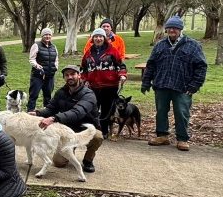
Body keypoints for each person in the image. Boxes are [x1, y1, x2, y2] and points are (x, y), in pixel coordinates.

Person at [141, 15, 207, 152]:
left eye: (175, 28)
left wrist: (195, 85)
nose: (172, 30)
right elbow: (151, 64)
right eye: (169, 28)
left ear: (180, 29)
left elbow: (201, 66)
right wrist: (146, 82)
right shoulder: (160, 45)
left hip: (182, 87)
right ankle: (162, 135)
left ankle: (182, 139)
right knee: (161, 112)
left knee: (182, 113)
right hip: (161, 85)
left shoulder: (193, 45)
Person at [31, 65, 101, 172]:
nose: (70, 77)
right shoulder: (61, 92)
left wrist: (54, 119)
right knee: (58, 163)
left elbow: (77, 112)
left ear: (79, 75)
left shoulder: (88, 94)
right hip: (68, 130)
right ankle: (70, 151)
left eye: (73, 74)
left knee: (97, 136)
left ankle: (88, 160)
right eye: (66, 75)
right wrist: (37, 113)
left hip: (86, 129)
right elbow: (51, 108)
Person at [81, 28, 127, 140]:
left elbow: (121, 65)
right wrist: (83, 80)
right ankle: (94, 131)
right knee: (93, 109)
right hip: (93, 86)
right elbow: (84, 69)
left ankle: (105, 131)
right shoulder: (88, 53)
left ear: (104, 38)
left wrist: (122, 75)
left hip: (110, 86)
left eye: (100, 36)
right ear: (92, 39)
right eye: (96, 37)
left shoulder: (112, 50)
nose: (98, 39)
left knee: (107, 110)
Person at [27, 27, 59, 111]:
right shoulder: (36, 45)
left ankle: (46, 113)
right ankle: (30, 113)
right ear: (42, 36)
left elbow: (56, 59)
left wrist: (56, 67)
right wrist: (37, 66)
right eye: (45, 35)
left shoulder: (54, 47)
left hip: (50, 76)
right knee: (33, 96)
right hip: (38, 76)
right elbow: (31, 59)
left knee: (48, 96)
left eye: (49, 35)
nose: (47, 36)